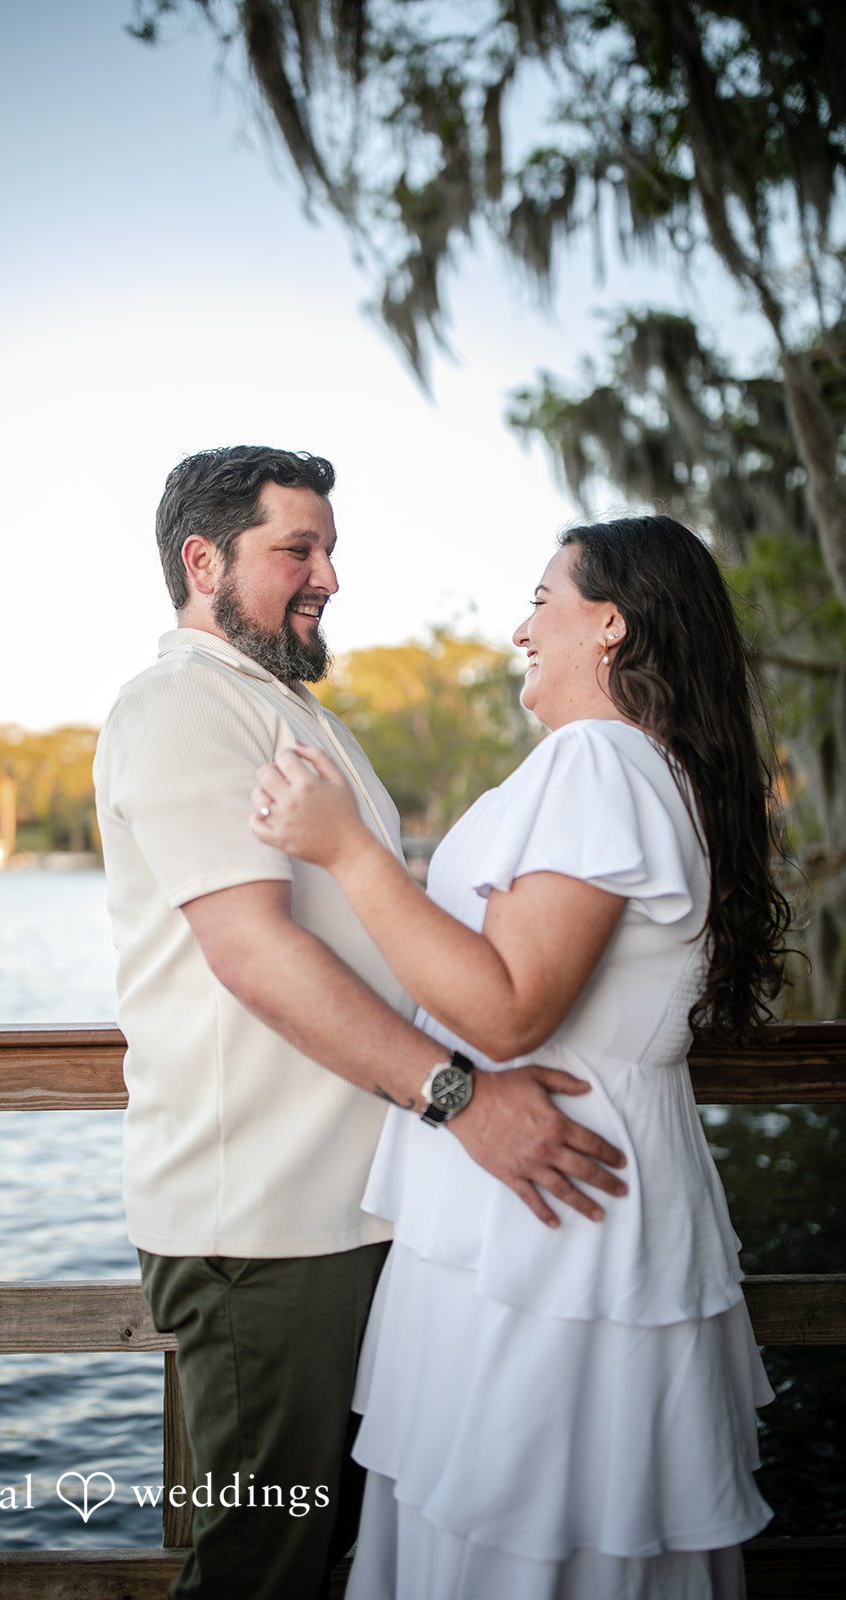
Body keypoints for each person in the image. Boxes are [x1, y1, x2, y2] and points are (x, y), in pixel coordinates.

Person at [92, 447, 630, 1600]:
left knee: (333, 1550)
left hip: (350, 1214)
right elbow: (253, 953)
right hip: (262, 1225)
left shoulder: (286, 710)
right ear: (203, 559)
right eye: (298, 548)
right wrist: (460, 1096)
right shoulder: (181, 705)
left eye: (328, 547)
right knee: (262, 1564)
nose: (327, 573)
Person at [251, 515, 789, 1600]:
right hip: (564, 1192)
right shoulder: (638, 767)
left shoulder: (593, 763)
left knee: (519, 1532)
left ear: (607, 625)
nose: (516, 629)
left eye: (540, 599)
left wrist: (349, 850)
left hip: (547, 1215)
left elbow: (505, 1013)